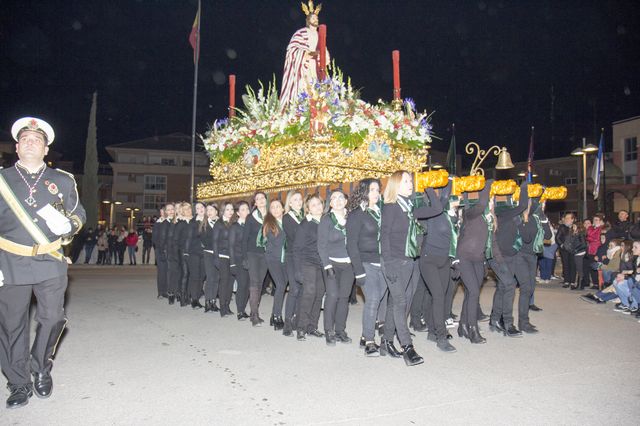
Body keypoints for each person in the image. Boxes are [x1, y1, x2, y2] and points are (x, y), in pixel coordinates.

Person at [0, 117, 86, 408]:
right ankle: (18, 382)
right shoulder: (2, 179)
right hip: (9, 260)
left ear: (46, 149)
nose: (30, 143)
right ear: (16, 146)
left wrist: (70, 226)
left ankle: (40, 368)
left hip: (50, 259)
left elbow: (79, 213)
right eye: (25, 139)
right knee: (12, 325)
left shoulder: (62, 180)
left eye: (36, 140)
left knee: (52, 318)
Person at [380, 171, 438, 366]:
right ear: (396, 184)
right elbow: (384, 236)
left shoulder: (411, 208)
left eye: (411, 181)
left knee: (394, 303)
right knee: (400, 301)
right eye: (406, 181)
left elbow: (437, 208)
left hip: (410, 262)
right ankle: (408, 347)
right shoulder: (391, 207)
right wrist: (388, 264)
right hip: (393, 262)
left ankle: (386, 342)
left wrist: (428, 186)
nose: (410, 184)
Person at [416, 181, 458, 353]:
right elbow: (438, 203)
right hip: (429, 260)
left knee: (437, 296)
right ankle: (441, 336)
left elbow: (446, 193)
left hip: (443, 261)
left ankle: (433, 331)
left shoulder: (449, 216)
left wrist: (449, 181)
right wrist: (429, 185)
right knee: (438, 295)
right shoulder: (430, 212)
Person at [346, 179, 386, 356]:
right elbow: (351, 245)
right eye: (371, 190)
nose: (376, 193)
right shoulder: (357, 214)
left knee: (382, 299)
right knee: (373, 299)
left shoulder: (381, 211)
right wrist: (358, 271)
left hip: (383, 263)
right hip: (365, 262)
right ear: (363, 192)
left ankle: (365, 335)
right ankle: (369, 341)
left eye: (378, 190)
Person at [488, 181, 528, 337]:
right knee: (510, 285)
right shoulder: (502, 212)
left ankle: (494, 319)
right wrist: (524, 188)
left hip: (509, 255)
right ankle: (508, 323)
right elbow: (523, 205)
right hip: (498, 257)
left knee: (503, 287)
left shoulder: (507, 213)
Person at [457, 180, 492, 344]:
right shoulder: (469, 213)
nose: (490, 202)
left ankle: (463, 325)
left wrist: (485, 262)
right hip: (464, 257)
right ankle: (473, 330)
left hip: (478, 258)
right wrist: (488, 185)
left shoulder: (487, 218)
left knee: (472, 292)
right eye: (490, 200)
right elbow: (481, 203)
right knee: (474, 292)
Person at [318, 189, 355, 346]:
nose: (338, 200)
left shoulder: (352, 218)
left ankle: (340, 330)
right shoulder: (326, 220)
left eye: (341, 197)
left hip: (349, 265)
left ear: (346, 201)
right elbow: (321, 245)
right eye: (334, 198)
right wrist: (327, 265)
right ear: (330, 203)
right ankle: (329, 330)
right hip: (331, 264)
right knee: (332, 296)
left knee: (344, 298)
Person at [279, 0, 330, 110]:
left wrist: (324, 57)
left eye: (317, 18)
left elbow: (325, 53)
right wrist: (309, 54)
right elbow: (292, 49)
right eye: (313, 18)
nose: (315, 20)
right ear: (308, 20)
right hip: (304, 68)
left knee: (319, 94)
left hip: (317, 69)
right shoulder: (301, 33)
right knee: (304, 94)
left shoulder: (320, 36)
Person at [293, 194, 326, 340]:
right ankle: (301, 327)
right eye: (313, 205)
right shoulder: (305, 224)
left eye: (319, 204)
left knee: (319, 294)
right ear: (308, 209)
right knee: (309, 293)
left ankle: (312, 326)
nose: (317, 207)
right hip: (308, 261)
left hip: (322, 263)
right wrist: (298, 270)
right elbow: (297, 248)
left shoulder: (326, 222)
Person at [242, 192, 269, 326]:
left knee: (260, 284)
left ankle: (254, 312)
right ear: (255, 203)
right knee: (254, 283)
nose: (260, 200)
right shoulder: (251, 218)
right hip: (252, 253)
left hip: (265, 254)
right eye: (257, 199)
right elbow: (245, 239)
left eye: (262, 198)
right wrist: (244, 257)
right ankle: (254, 315)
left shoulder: (271, 216)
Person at [263, 200, 288, 330]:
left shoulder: (288, 221)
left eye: (278, 206)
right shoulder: (269, 224)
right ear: (270, 210)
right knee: (281, 285)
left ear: (283, 209)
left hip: (286, 259)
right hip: (273, 259)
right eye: (273, 207)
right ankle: (277, 316)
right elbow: (278, 242)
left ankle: (273, 316)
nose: (276, 209)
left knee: (283, 285)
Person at [282, 191, 305, 336]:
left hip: (305, 258)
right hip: (292, 257)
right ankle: (287, 322)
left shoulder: (304, 217)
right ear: (289, 203)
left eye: (300, 199)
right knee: (294, 289)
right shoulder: (287, 218)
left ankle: (297, 319)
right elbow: (295, 237)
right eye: (295, 200)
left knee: (302, 291)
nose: (299, 202)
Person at [213, 202, 235, 317]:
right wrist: (216, 257)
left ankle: (227, 305)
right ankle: (222, 308)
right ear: (223, 211)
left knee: (230, 283)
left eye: (232, 209)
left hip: (232, 257)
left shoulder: (233, 223)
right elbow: (215, 242)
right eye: (227, 209)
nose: (230, 212)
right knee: (224, 281)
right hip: (222, 256)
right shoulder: (219, 223)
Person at [230, 201, 250, 320]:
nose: (246, 211)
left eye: (247, 209)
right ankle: (240, 311)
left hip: (249, 259)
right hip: (238, 259)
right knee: (242, 285)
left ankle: (243, 309)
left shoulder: (249, 225)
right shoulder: (235, 227)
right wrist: (232, 263)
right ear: (238, 212)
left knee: (248, 285)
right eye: (243, 209)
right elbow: (231, 246)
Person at [185, 202, 205, 309]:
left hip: (205, 253)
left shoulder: (209, 221)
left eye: (202, 207)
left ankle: (195, 294)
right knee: (195, 276)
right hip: (194, 252)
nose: (200, 209)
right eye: (198, 208)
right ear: (195, 211)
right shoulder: (193, 222)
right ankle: (194, 300)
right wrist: (186, 252)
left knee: (202, 276)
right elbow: (188, 238)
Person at [201, 204, 220, 312]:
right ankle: (208, 302)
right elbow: (203, 240)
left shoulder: (220, 222)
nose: (209, 212)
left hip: (218, 254)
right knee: (210, 277)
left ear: (216, 211)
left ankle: (213, 301)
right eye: (207, 210)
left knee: (217, 278)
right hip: (208, 253)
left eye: (211, 210)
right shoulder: (204, 224)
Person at [556, 213, 576, 288]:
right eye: (566, 218)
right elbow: (557, 237)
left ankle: (573, 282)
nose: (566, 219)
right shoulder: (562, 227)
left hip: (573, 249)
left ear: (572, 219)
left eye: (568, 218)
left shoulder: (575, 227)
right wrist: (561, 245)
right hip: (564, 249)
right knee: (566, 265)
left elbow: (579, 237)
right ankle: (567, 281)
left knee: (573, 265)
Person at [152, 207, 168, 298]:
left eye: (164, 212)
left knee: (168, 271)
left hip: (169, 250)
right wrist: (161, 248)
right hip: (160, 250)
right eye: (161, 212)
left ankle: (167, 290)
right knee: (162, 271)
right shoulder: (157, 224)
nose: (163, 214)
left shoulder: (169, 222)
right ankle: (161, 292)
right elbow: (154, 239)